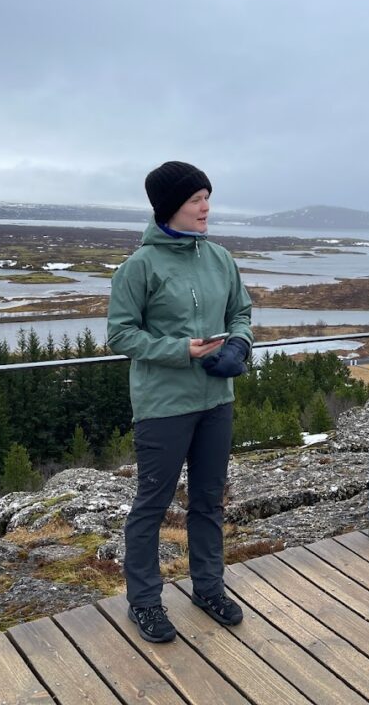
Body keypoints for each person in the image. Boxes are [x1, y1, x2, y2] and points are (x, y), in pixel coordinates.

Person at [107, 161, 254, 643]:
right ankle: (145, 602)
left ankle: (208, 588)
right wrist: (180, 351)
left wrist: (238, 346)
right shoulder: (139, 267)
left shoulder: (220, 258)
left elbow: (241, 312)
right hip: (164, 405)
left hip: (216, 401)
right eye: (196, 199)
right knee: (151, 506)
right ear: (171, 206)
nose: (206, 207)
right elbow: (120, 334)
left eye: (208, 197)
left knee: (209, 501)